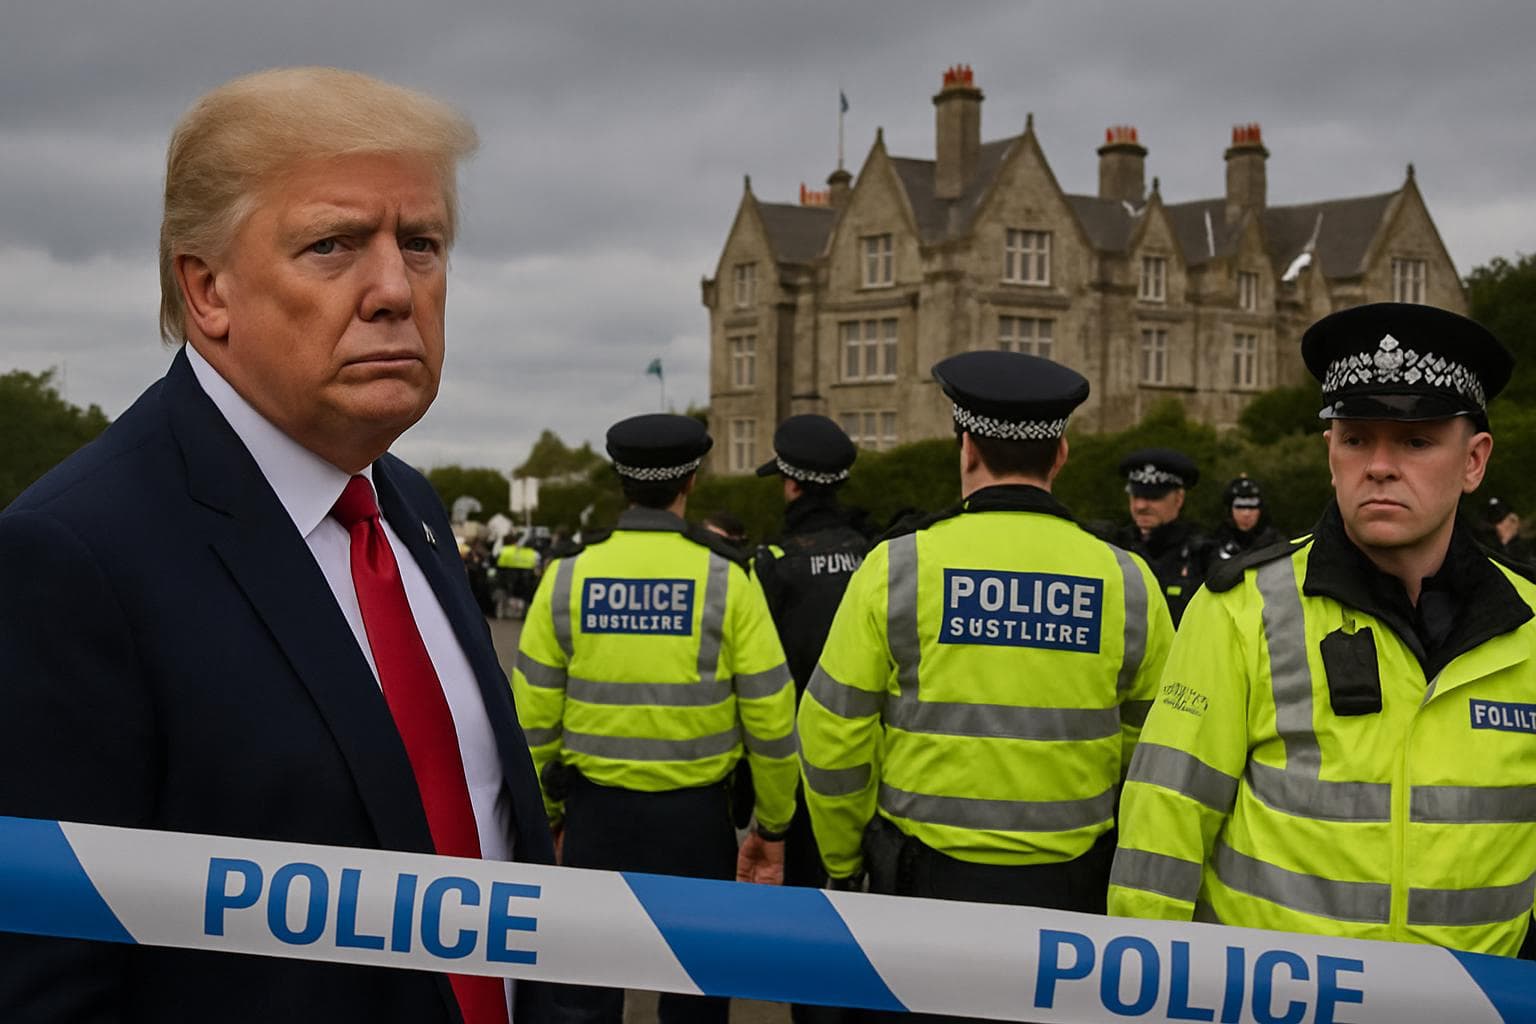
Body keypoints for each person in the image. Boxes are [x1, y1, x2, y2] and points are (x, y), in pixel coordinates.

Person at [0, 68, 553, 1022]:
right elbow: (48, 982)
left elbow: (506, 854)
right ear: (207, 288)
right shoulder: (71, 558)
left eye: (421, 243)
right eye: (332, 245)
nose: (395, 289)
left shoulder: (406, 507)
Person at [1110, 302, 1536, 959]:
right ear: (1330, 453)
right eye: (1356, 439)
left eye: (1416, 441)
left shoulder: (1530, 626)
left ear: (1474, 461)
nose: (1379, 466)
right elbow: (1163, 825)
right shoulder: (1241, 608)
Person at [796, 351, 1174, 1019]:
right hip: (1072, 896)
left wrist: (843, 856)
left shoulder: (899, 567)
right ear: (1060, 453)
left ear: (965, 446)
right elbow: (1157, 750)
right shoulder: (1128, 582)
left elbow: (831, 734)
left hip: (923, 887)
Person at [512, 413, 798, 1024]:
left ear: (620, 480)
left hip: (594, 819)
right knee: (695, 999)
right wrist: (771, 826)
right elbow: (772, 719)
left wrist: (549, 815)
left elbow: (531, 719)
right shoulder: (727, 577)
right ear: (690, 481)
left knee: (582, 998)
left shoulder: (568, 575)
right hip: (697, 824)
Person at [1109, 448, 1212, 626]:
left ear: (1179, 499)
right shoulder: (1114, 547)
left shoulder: (1203, 554)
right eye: (1136, 495)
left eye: (1152, 497)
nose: (1141, 505)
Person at [1210, 475, 1285, 560]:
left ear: (1261, 510)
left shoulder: (1277, 545)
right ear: (1229, 510)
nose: (1246, 513)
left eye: (1252, 506)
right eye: (1240, 506)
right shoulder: (1213, 544)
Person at [1483, 497, 1532, 563]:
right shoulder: (1486, 543)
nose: (1499, 526)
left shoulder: (1528, 549)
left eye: (1501, 519)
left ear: (1513, 518)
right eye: (1495, 521)